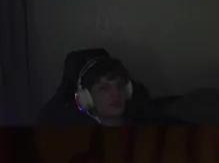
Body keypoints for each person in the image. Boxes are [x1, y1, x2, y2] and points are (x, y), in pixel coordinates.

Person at [35, 49, 177, 126]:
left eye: (120, 86)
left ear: (128, 90)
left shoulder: (146, 119)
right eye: (104, 88)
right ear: (86, 97)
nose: (116, 94)